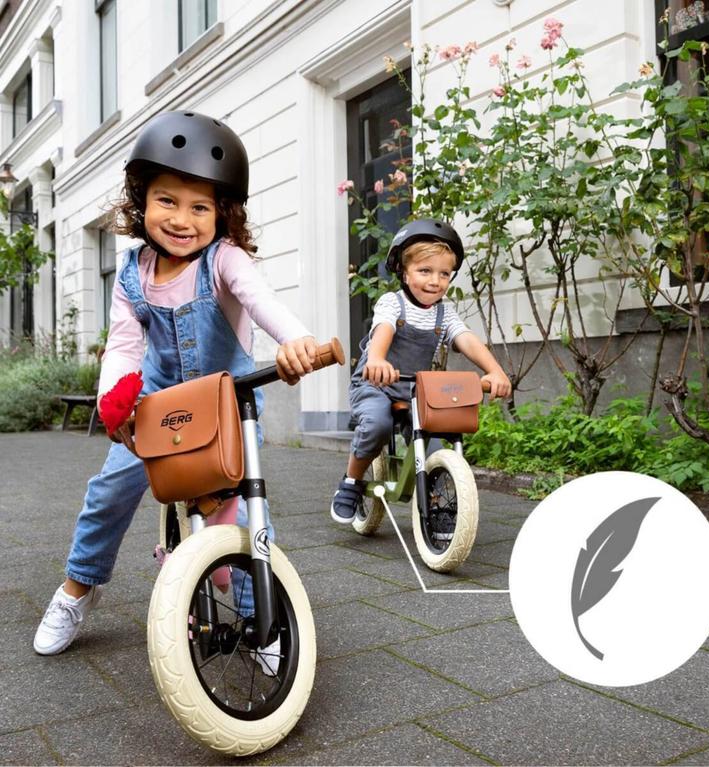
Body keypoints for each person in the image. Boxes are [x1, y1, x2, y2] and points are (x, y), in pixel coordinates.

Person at [34, 111, 316, 657]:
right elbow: (122, 343)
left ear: (222, 214)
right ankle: (78, 587)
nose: (182, 218)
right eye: (167, 201)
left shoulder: (225, 261)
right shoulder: (133, 272)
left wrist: (295, 341)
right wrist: (116, 399)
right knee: (110, 491)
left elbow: (261, 302)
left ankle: (264, 618)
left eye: (200, 207)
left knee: (240, 504)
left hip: (226, 405)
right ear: (142, 203)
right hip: (158, 406)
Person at [330, 218, 512, 523]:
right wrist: (376, 359)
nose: (435, 281)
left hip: (415, 388)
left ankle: (438, 498)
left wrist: (495, 371)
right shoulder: (393, 303)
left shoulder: (445, 312)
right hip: (375, 384)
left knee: (437, 439)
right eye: (425, 271)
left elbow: (466, 339)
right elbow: (383, 331)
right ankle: (351, 481)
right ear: (403, 270)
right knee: (376, 424)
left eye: (444, 274)